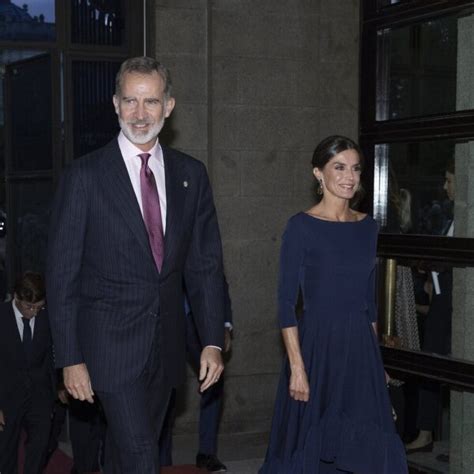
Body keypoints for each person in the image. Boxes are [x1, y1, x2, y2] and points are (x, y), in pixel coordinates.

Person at [46, 56, 226, 474]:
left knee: (126, 454)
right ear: (115, 104)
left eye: (150, 102)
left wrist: (212, 341)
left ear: (169, 105)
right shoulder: (85, 176)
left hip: (165, 348)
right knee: (144, 453)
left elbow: (205, 266)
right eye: (130, 101)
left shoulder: (191, 175)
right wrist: (70, 357)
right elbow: (62, 275)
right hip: (107, 349)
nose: (140, 114)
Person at [259, 135, 407, 474]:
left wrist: (376, 360)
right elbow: (285, 303)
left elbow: (369, 302)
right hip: (317, 348)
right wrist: (297, 368)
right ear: (318, 174)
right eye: (338, 167)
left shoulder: (368, 227)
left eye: (355, 168)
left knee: (365, 447)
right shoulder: (301, 226)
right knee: (312, 444)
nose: (349, 176)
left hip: (359, 350)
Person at [405, 158, 454, 455]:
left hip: (450, 306)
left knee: (445, 368)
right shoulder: (449, 218)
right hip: (440, 303)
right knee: (431, 366)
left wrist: (431, 266)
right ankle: (425, 433)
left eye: (450, 180)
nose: (445, 186)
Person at [159, 278, 233, 472]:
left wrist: (224, 324)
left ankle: (207, 454)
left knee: (214, 378)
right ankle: (162, 461)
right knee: (164, 387)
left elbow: (215, 277)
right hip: (162, 318)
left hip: (197, 318)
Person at [0, 271, 55, 474]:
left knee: (39, 447)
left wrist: (54, 392)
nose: (33, 312)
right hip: (6, 397)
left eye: (38, 307)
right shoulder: (2, 318)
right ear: (16, 297)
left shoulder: (46, 317)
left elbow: (50, 355)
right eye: (28, 307)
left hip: (39, 396)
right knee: (5, 452)